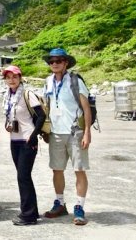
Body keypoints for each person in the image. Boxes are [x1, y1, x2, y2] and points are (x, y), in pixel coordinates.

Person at [42, 48, 92, 226]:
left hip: (75, 132)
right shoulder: (48, 82)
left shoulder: (75, 81)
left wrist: (87, 132)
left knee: (79, 169)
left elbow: (86, 108)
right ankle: (60, 203)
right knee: (57, 169)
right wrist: (44, 130)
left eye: (58, 61)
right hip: (55, 133)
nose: (54, 64)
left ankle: (79, 207)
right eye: (51, 61)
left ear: (66, 63)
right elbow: (45, 106)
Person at [2, 65, 46, 226]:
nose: (11, 80)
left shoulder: (27, 94)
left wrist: (34, 136)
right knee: (24, 177)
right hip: (14, 141)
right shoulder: (8, 96)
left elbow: (41, 116)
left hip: (27, 140)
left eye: (14, 76)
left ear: (20, 78)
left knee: (23, 177)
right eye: (8, 77)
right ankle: (31, 211)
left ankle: (28, 215)